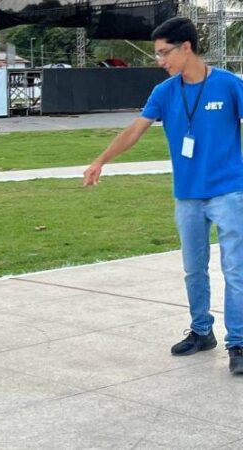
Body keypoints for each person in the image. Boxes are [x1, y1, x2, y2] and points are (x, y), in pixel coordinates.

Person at [83, 17, 243, 374]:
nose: (159, 60)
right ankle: (202, 332)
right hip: (187, 195)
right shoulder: (165, 92)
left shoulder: (230, 85)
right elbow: (134, 131)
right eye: (157, 54)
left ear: (186, 47)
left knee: (235, 271)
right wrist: (100, 160)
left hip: (229, 192)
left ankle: (239, 343)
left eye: (163, 52)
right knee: (193, 270)